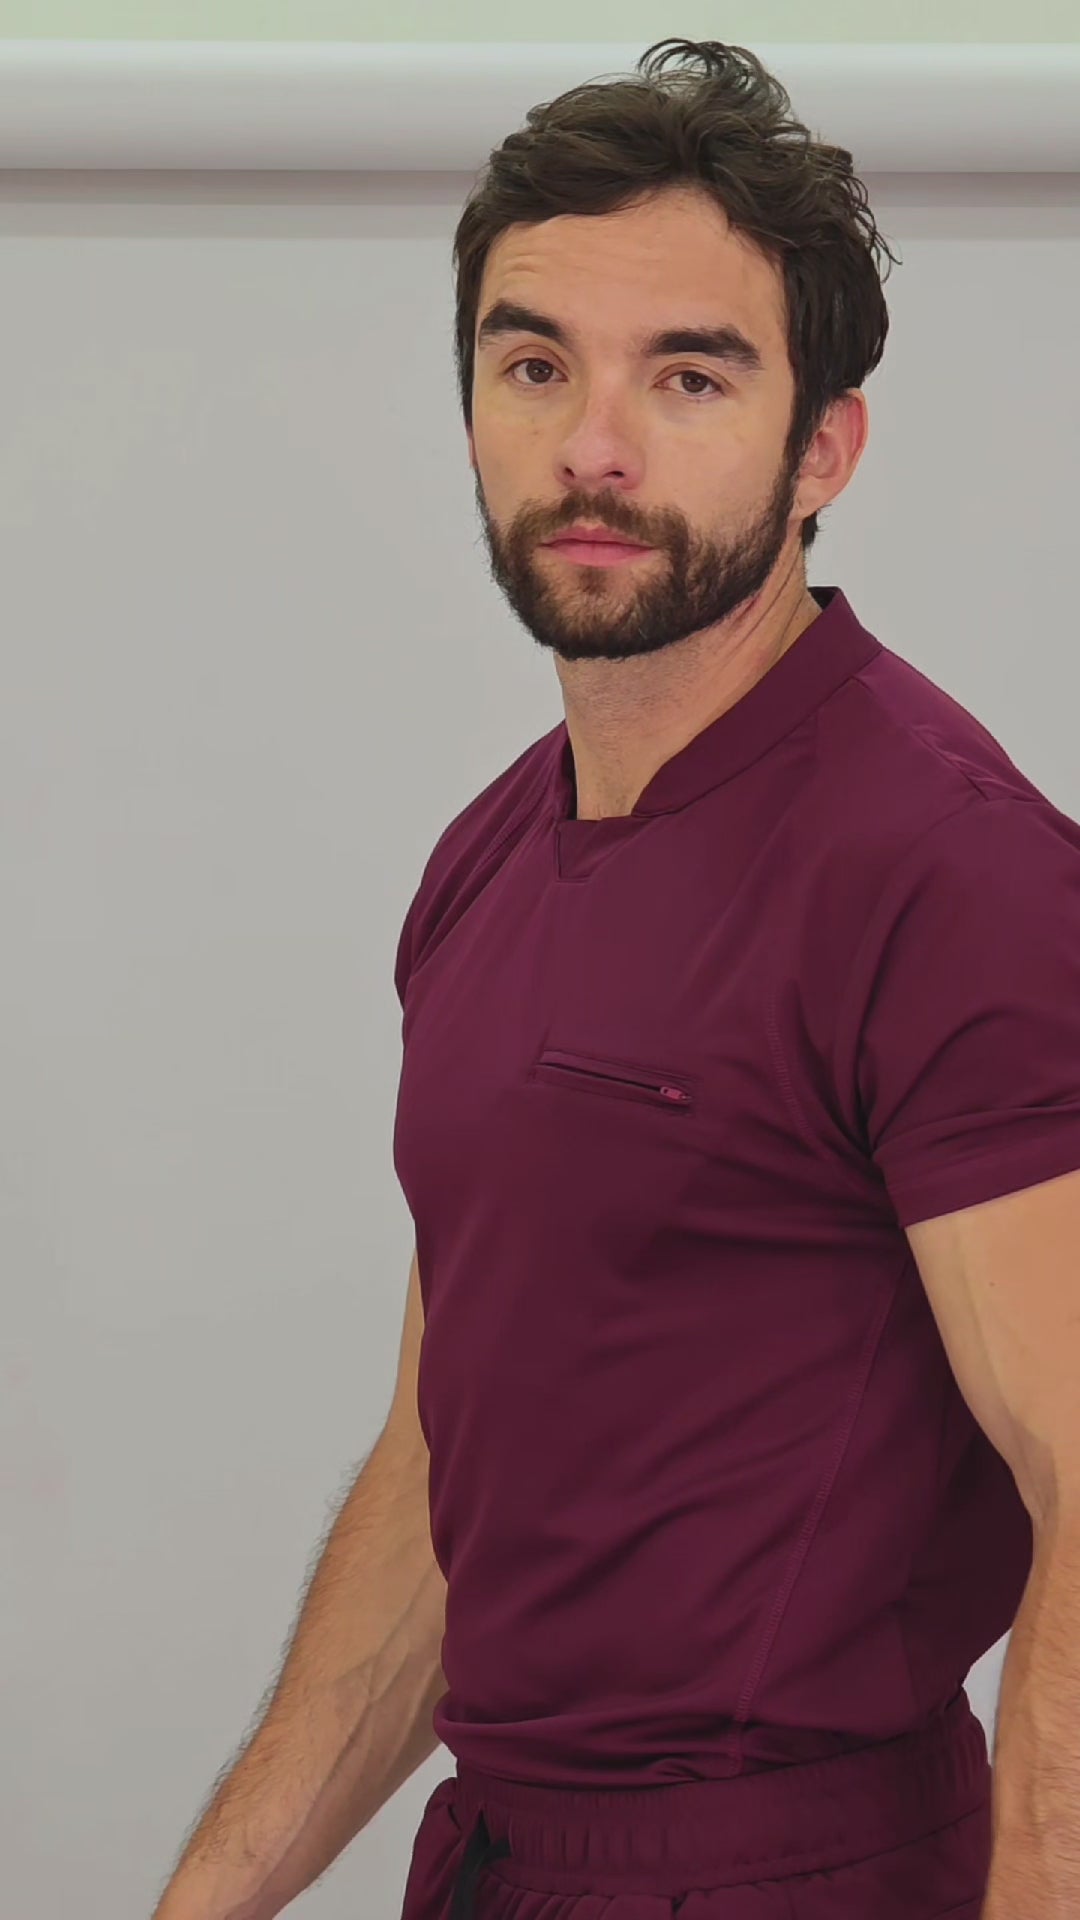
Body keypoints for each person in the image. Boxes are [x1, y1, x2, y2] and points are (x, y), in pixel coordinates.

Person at [152, 39, 1080, 1920]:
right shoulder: (486, 863)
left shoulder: (950, 871)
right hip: (504, 1864)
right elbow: (442, 1478)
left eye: (689, 375)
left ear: (825, 448)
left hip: (804, 1872)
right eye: (535, 366)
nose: (594, 445)